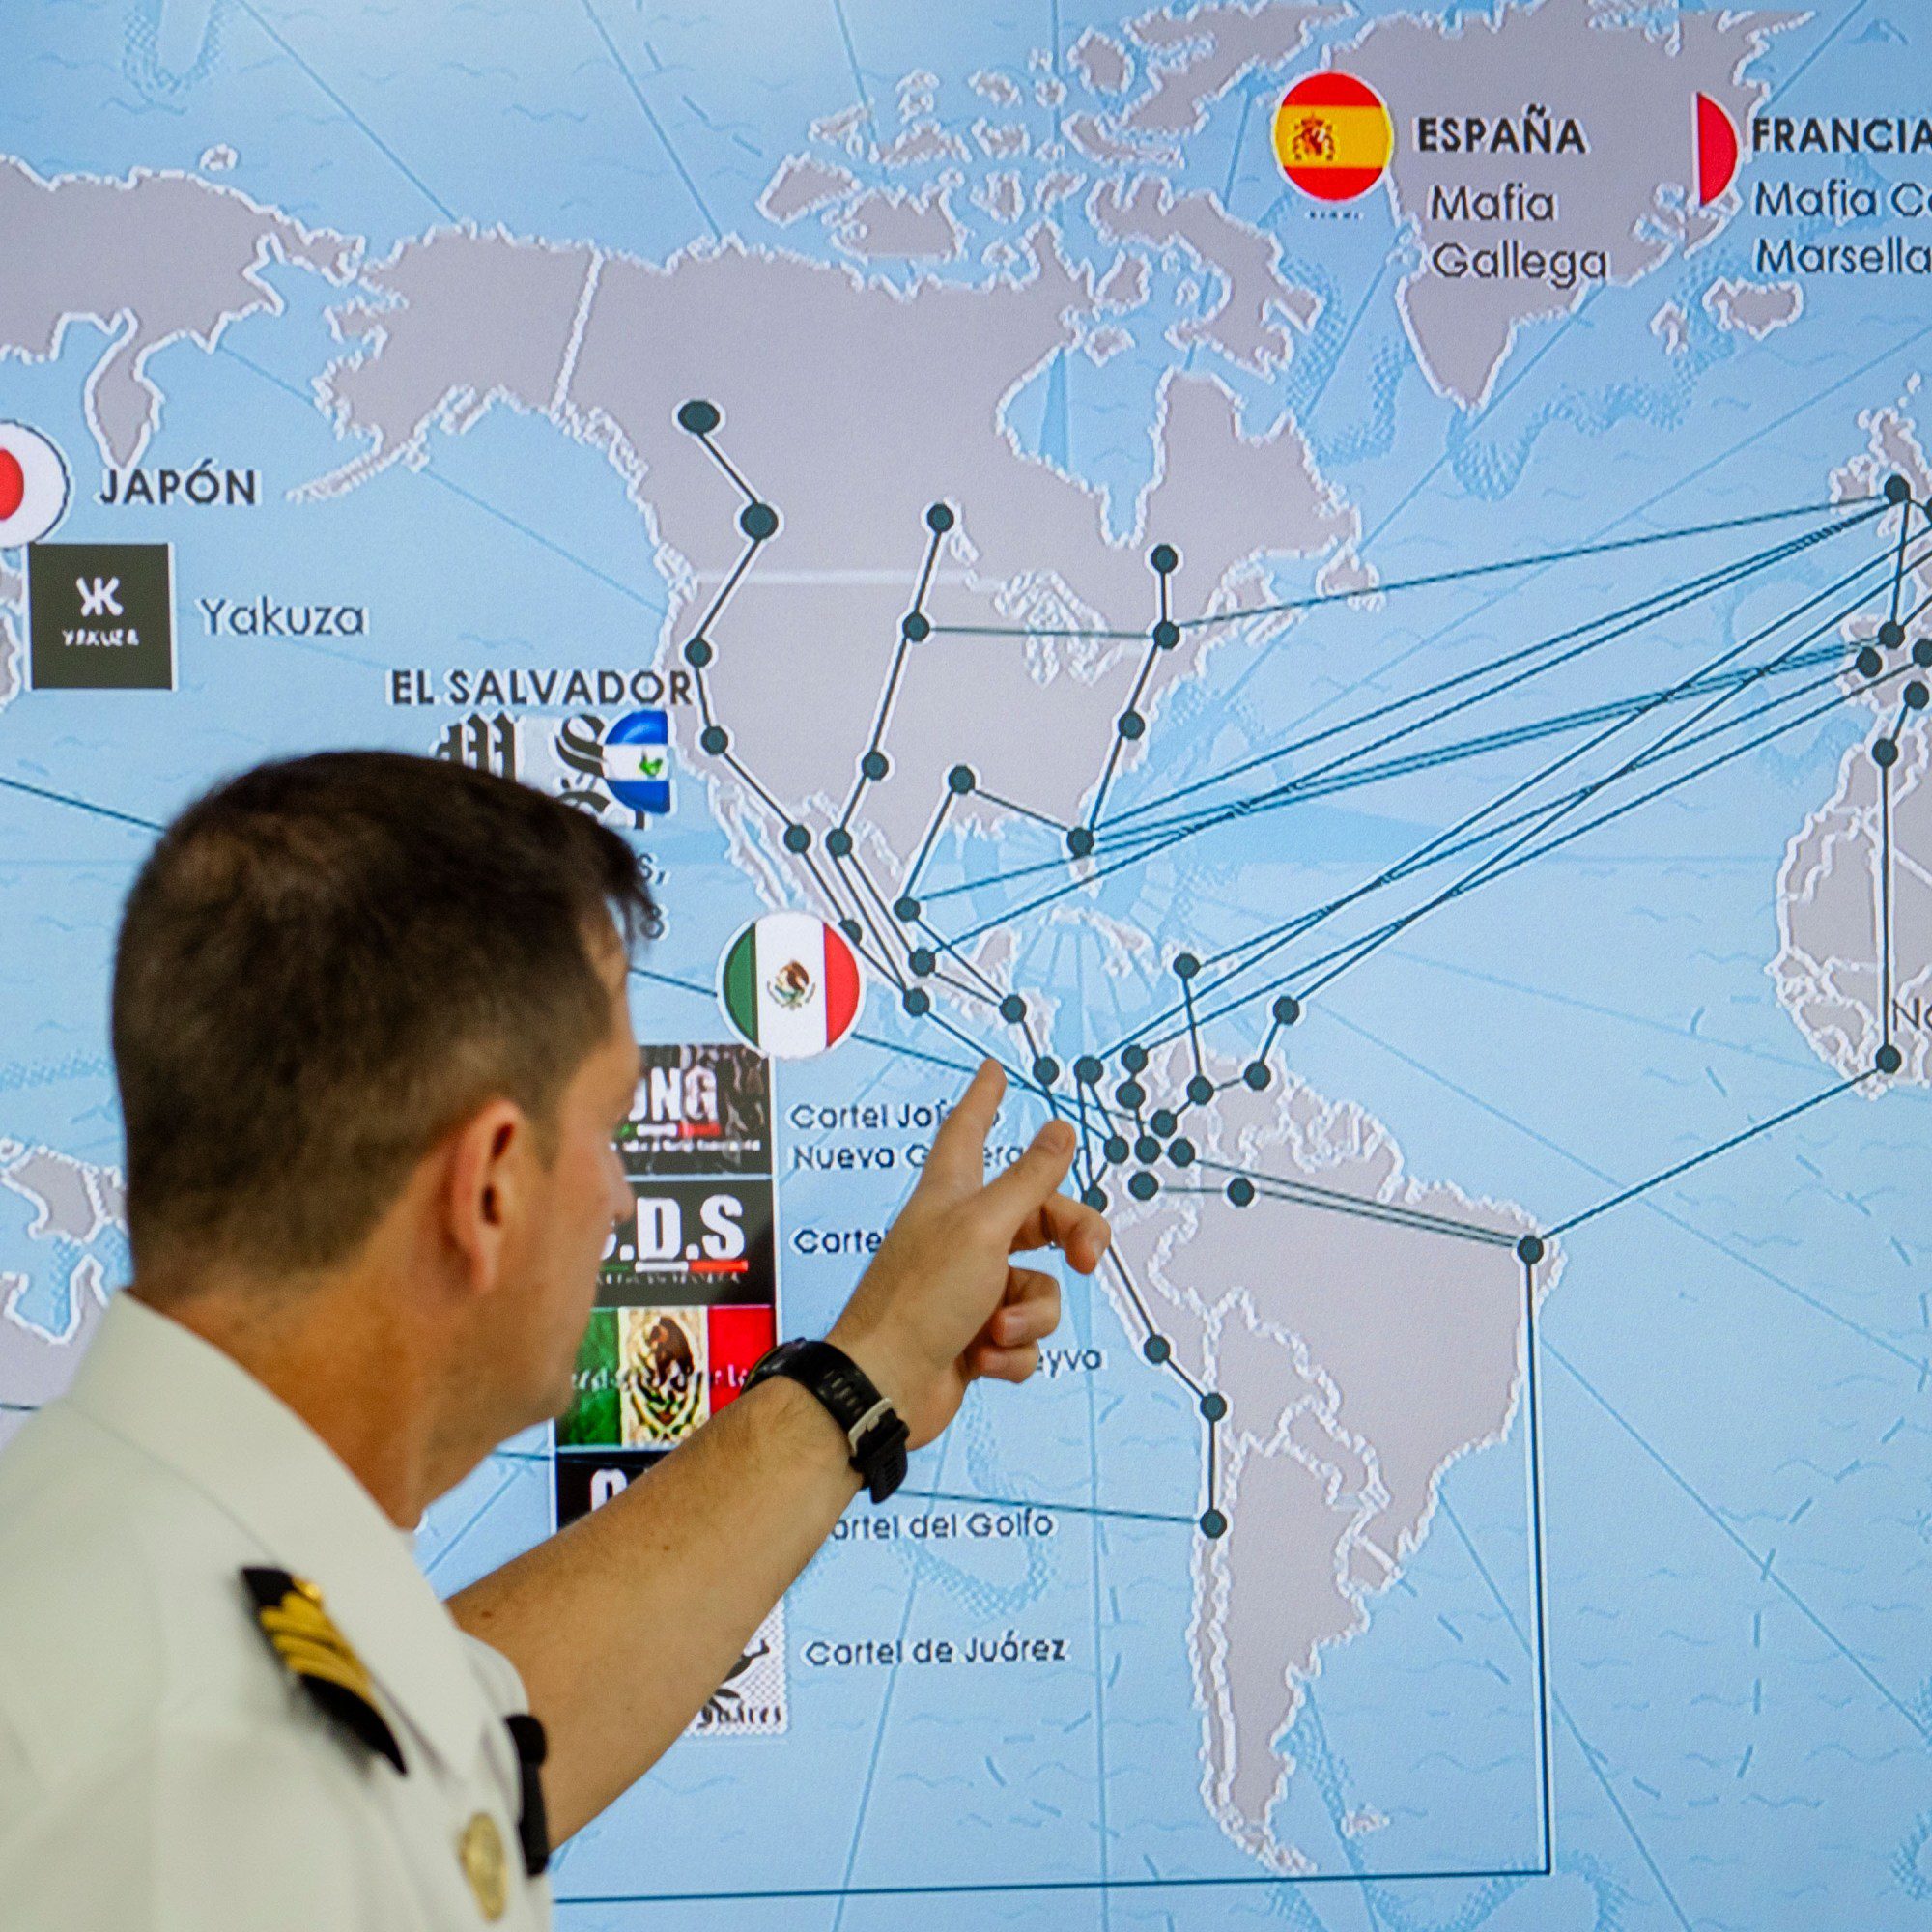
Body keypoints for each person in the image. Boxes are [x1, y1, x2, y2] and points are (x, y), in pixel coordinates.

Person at [0, 752, 1110, 1929]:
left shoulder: (147, 1570)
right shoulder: (219, 1780)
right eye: (605, 1130)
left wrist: (867, 1372)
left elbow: (475, 1750)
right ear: (486, 1188)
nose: (623, 1201)